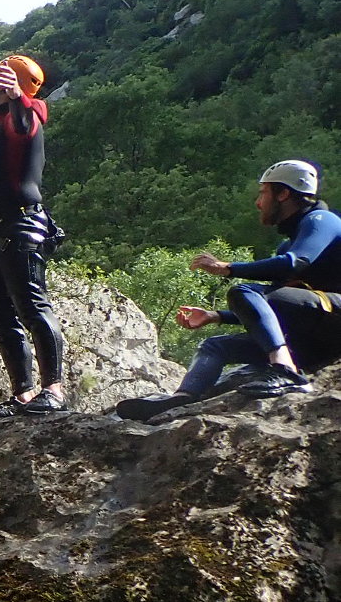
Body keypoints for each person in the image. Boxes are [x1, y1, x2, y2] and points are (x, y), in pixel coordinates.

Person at [116, 160, 341, 420]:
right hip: (311, 337)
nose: (258, 202)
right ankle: (181, 401)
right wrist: (217, 316)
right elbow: (274, 305)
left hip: (333, 319)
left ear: (283, 194)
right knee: (214, 346)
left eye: (263, 193)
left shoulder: (321, 221)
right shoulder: (288, 244)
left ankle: (285, 371)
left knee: (243, 291)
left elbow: (294, 264)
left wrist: (228, 268)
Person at [0, 55, 68, 417]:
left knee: (32, 305)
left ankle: (54, 390)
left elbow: (25, 122)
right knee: (2, 314)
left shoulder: (25, 118)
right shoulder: (0, 130)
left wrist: (16, 97)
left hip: (21, 227)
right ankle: (25, 393)